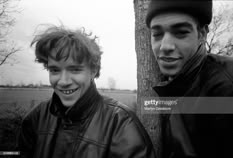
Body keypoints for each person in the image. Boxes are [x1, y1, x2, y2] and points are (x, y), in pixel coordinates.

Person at [18, 25, 156, 158]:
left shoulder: (121, 123)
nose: (63, 81)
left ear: (93, 71)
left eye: (75, 69)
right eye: (55, 70)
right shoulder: (36, 118)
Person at [145, 0, 233, 158]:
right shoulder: (180, 82)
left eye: (180, 32)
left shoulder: (226, 90)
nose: (165, 46)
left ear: (202, 34)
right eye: (157, 34)